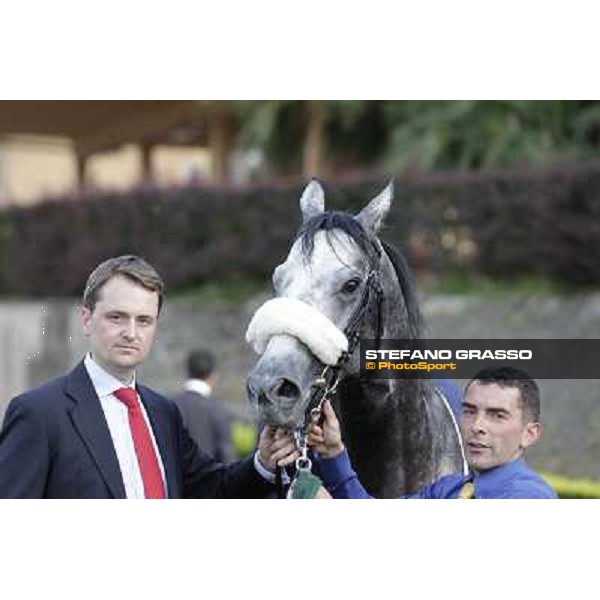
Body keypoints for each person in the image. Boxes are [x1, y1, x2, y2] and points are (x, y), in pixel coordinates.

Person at [0, 255, 298, 498]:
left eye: (143, 321)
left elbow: (212, 490)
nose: (131, 333)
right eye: (116, 317)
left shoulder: (163, 414)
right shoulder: (39, 414)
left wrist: (262, 462)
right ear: (86, 319)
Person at [308, 366, 557, 499]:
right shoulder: (447, 490)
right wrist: (333, 453)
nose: (477, 425)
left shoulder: (529, 497)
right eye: (470, 411)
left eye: (497, 415)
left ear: (530, 433)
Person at [172, 349, 236, 463]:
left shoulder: (168, 404)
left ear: (188, 372)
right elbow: (226, 455)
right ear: (213, 375)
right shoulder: (217, 409)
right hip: (207, 477)